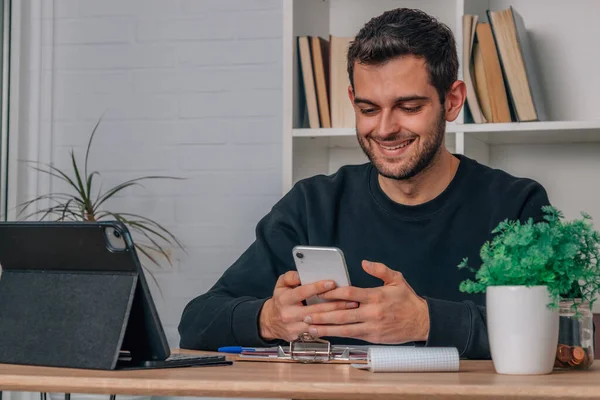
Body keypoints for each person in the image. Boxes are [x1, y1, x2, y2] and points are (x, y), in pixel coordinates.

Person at [177, 7, 550, 359]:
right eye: (369, 109)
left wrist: (425, 321)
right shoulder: (313, 203)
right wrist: (269, 318)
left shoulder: (516, 204)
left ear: (452, 101)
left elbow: (562, 334)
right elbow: (196, 322)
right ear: (353, 101)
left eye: (409, 107)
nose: (385, 129)